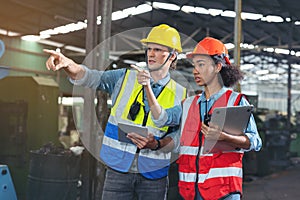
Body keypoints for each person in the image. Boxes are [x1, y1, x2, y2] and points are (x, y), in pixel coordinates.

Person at [44, 24, 187, 200]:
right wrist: (68, 65)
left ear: (173, 56)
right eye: (149, 49)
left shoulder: (181, 93)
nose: (151, 54)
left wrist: (156, 144)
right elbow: (91, 77)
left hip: (153, 174)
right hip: (118, 169)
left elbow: (178, 138)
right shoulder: (125, 77)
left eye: (158, 49)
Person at [146, 37, 262, 200]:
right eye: (194, 65)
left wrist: (225, 137)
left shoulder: (235, 102)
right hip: (191, 191)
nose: (195, 70)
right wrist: (157, 144)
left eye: (201, 64)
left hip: (223, 191)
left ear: (217, 67)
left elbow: (255, 142)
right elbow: (164, 122)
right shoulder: (188, 104)